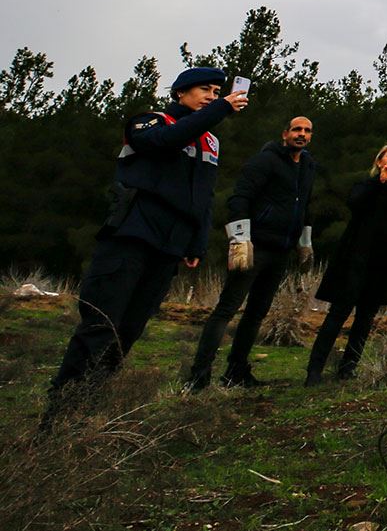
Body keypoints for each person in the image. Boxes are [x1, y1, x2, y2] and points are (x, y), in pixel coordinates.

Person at [44, 68, 247, 424]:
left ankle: (87, 411)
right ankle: (58, 414)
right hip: (131, 236)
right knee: (100, 325)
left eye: (217, 91)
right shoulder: (150, 121)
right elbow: (162, 142)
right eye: (205, 89)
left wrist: (197, 243)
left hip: (169, 246)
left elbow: (204, 195)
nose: (213, 96)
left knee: (129, 331)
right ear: (181, 92)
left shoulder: (211, 142)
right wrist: (220, 111)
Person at [189, 115, 316, 390]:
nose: (301, 134)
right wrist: (240, 240)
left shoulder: (307, 166)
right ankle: (199, 376)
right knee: (226, 309)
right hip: (255, 246)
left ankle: (236, 372)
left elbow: (305, 206)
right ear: (285, 133)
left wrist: (304, 242)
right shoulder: (265, 161)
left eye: (306, 131)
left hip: (281, 251)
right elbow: (240, 199)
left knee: (257, 313)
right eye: (296, 129)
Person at [305, 142, 387, 385]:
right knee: (337, 315)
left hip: (385, 264)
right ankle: (314, 370)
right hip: (357, 261)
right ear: (379, 161)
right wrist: (379, 181)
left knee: (365, 319)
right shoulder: (367, 184)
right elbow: (355, 203)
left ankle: (348, 368)